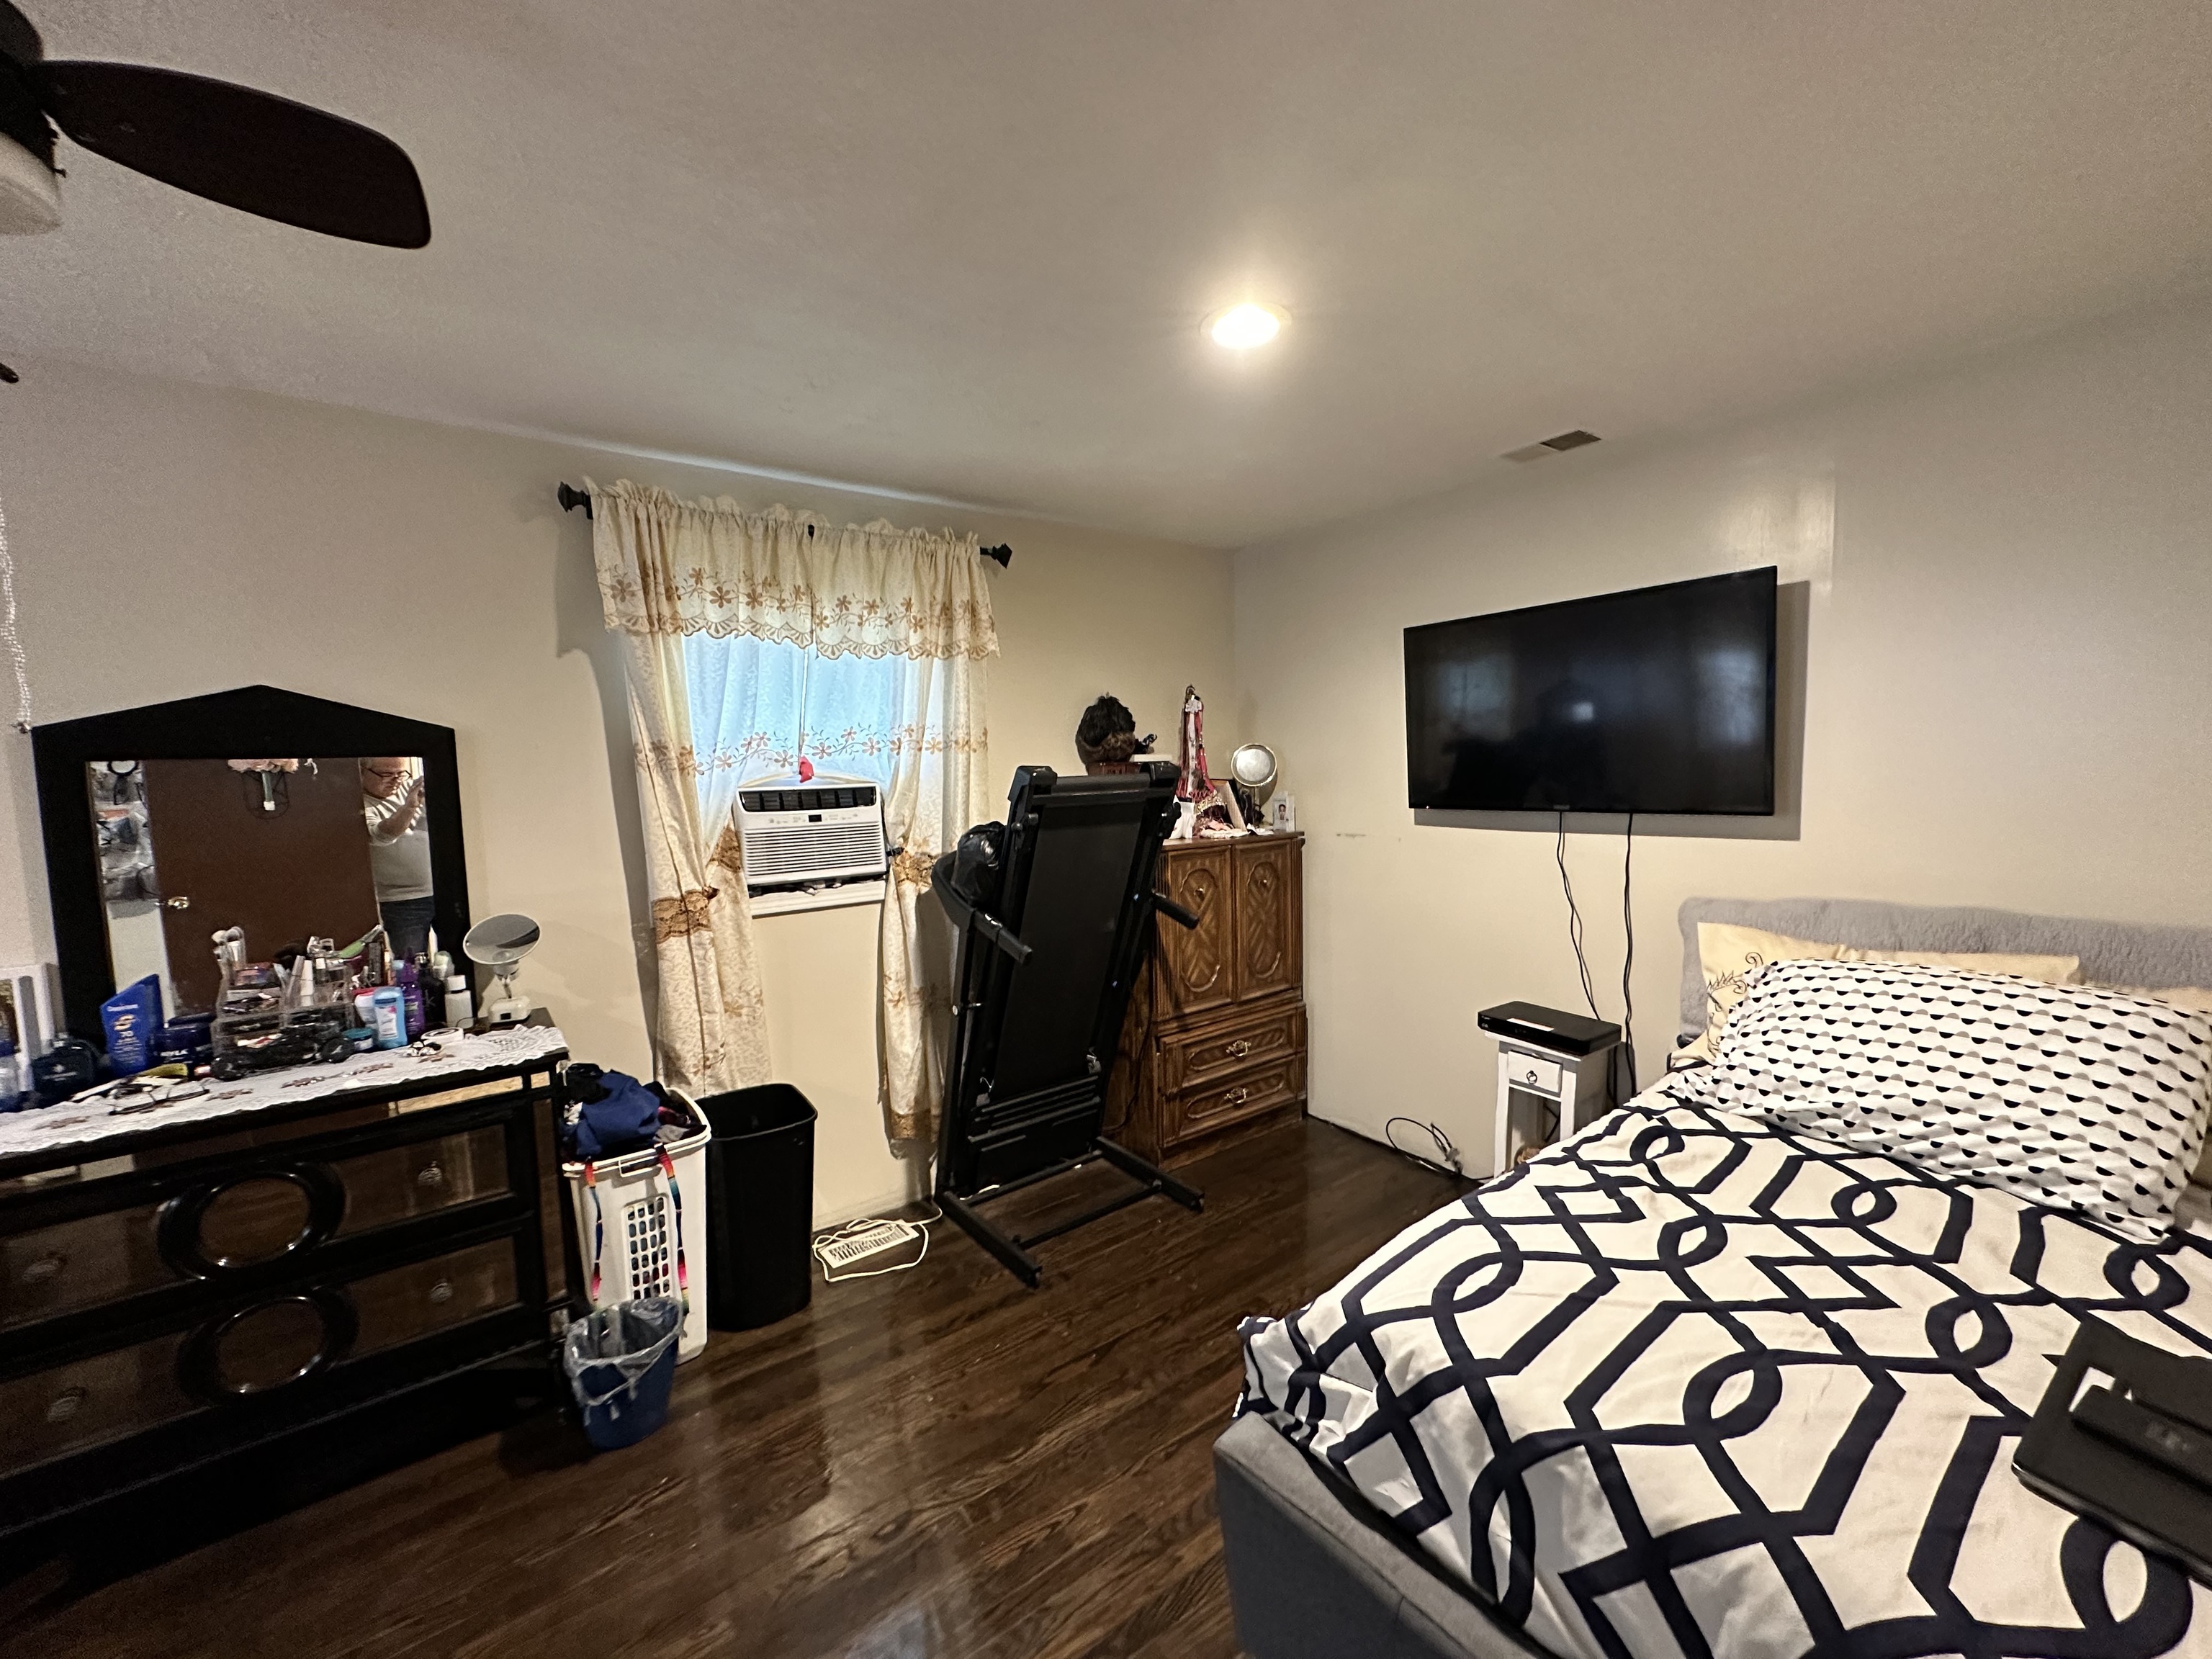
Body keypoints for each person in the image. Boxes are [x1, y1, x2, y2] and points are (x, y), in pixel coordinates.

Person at [361, 757, 434, 960]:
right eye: (386, 774)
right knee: (409, 966)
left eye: (400, 774)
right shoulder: (359, 803)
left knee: (459, 961)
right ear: (362, 771)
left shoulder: (409, 787)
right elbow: (382, 835)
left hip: (443, 890)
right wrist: (409, 808)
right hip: (401, 902)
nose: (395, 781)